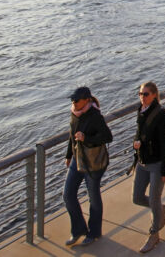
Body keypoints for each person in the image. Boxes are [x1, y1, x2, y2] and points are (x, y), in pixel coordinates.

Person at [63, 87, 112, 247]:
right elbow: (72, 135)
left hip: (93, 162)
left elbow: (107, 136)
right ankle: (78, 230)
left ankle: (94, 232)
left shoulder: (95, 116)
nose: (74, 103)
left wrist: (86, 138)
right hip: (78, 159)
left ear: (86, 100)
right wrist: (69, 155)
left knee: (93, 197)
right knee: (68, 194)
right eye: (72, 100)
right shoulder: (74, 114)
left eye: (76, 100)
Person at [132, 81, 165, 253]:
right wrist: (136, 151)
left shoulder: (161, 114)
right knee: (137, 197)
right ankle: (161, 210)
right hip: (142, 162)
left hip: (157, 164)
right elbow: (140, 134)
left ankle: (154, 235)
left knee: (154, 199)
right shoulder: (140, 111)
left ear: (155, 94)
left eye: (146, 94)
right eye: (140, 94)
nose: (142, 97)